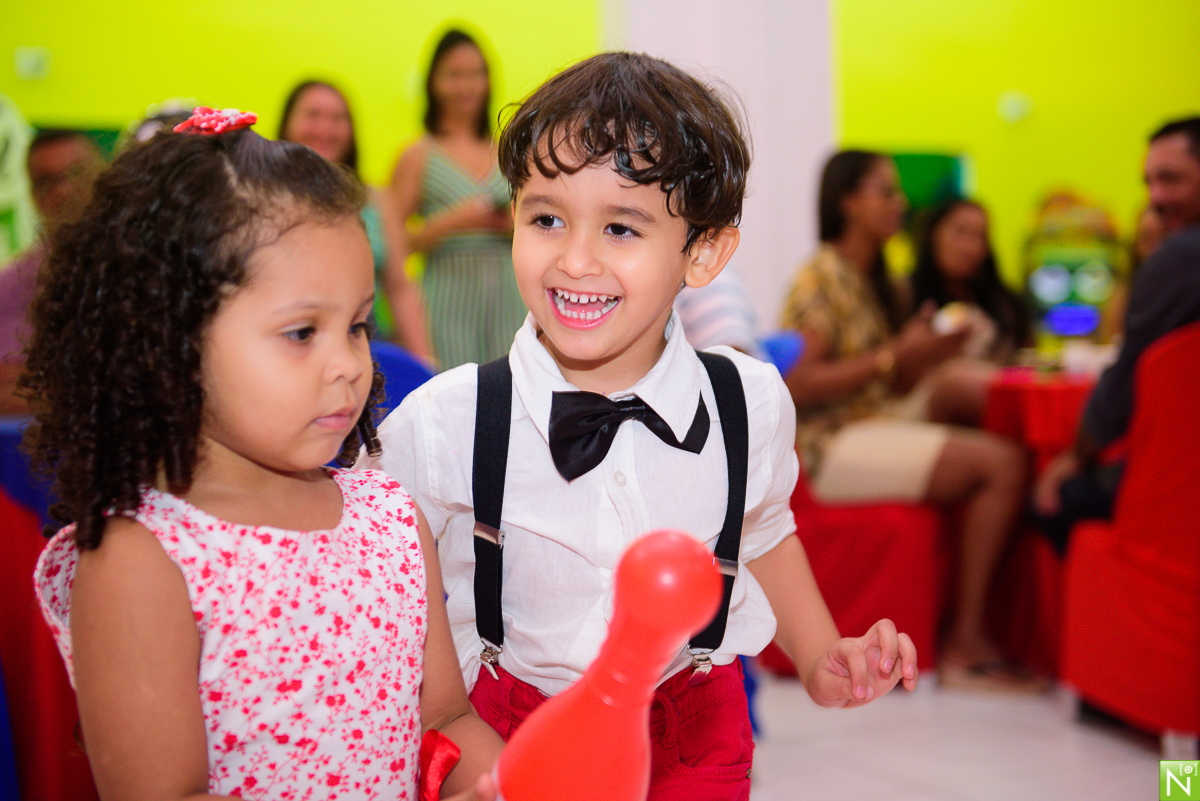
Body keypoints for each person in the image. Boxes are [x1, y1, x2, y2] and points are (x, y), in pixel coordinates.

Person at [362, 53, 918, 801]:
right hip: (513, 726)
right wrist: (457, 737)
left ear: (705, 251)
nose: (576, 258)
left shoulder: (747, 400)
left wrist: (821, 655)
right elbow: (381, 579)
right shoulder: (447, 419)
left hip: (695, 728)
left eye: (623, 227)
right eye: (547, 217)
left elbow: (761, 531)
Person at [23, 109, 501, 800]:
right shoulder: (142, 560)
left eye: (358, 324)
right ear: (171, 341)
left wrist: (490, 781)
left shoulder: (391, 517)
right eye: (303, 331)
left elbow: (448, 718)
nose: (348, 364)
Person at [780, 150, 1036, 689]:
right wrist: (897, 354)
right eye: (886, 191)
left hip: (876, 419)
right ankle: (967, 645)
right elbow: (796, 383)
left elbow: (892, 381)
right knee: (1003, 465)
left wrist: (924, 351)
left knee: (963, 379)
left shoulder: (878, 278)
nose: (901, 203)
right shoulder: (821, 276)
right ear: (848, 201)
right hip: (833, 444)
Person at [1036, 116, 1200, 551]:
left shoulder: (1180, 258)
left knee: (1054, 500)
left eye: (1170, 179)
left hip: (1176, 491)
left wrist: (1075, 456)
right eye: (1149, 183)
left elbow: (1118, 392)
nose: (1156, 198)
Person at [389, 29, 527, 370]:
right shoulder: (419, 154)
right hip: (446, 301)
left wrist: (511, 225)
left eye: (476, 74)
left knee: (512, 393)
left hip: (510, 297)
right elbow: (391, 244)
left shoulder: (507, 149)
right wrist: (455, 221)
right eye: (454, 75)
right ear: (432, 82)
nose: (466, 85)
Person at [279, 80, 432, 361]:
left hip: (368, 351)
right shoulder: (266, 197)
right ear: (287, 123)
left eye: (337, 119)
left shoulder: (375, 199)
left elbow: (400, 287)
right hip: (292, 354)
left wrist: (425, 363)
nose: (325, 128)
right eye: (313, 116)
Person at [1, 128, 104, 415]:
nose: (65, 191)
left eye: (77, 173)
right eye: (47, 182)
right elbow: (11, 391)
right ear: (33, 195)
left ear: (106, 175)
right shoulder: (12, 286)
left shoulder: (154, 264)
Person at [909, 198, 1032, 362]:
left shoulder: (1006, 305)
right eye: (960, 231)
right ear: (933, 233)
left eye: (980, 236)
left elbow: (1026, 359)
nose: (970, 247)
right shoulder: (904, 294)